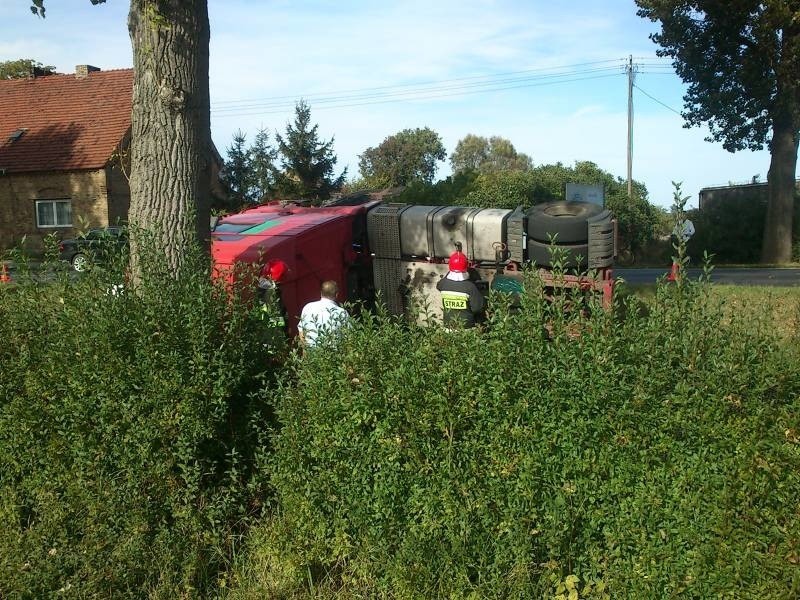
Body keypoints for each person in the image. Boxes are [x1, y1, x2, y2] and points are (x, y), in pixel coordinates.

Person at [436, 249, 485, 328]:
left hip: (448, 327)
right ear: (466, 267)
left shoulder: (443, 284)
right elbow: (478, 308)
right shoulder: (470, 287)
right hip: (466, 329)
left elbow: (439, 285)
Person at [298, 280, 351, 347]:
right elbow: (350, 337)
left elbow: (301, 331)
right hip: (334, 354)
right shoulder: (342, 313)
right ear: (337, 294)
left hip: (311, 353)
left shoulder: (307, 307)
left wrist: (305, 350)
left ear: (321, 293)